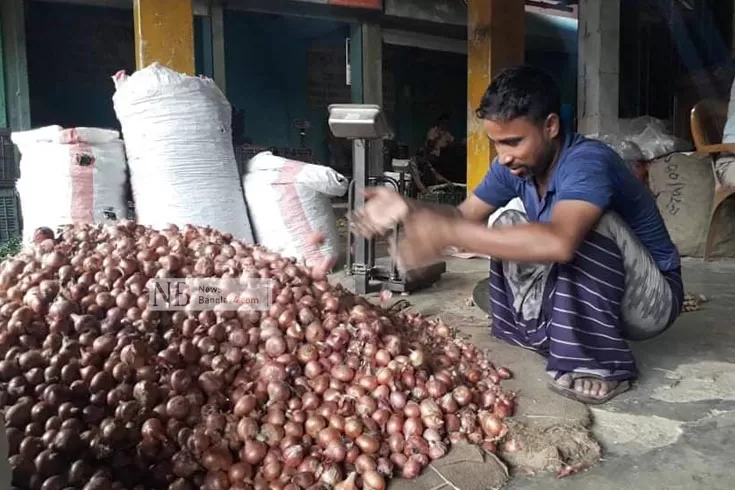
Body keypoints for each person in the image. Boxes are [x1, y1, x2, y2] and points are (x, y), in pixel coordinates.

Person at [349, 66, 684, 405]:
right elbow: (463, 216)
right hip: (599, 295)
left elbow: (560, 242)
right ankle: (532, 331)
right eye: (495, 143)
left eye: (513, 142)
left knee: (583, 229)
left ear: (550, 126)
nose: (503, 156)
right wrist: (407, 207)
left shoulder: (587, 162)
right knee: (508, 220)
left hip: (648, 301)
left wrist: (447, 233)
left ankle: (597, 366)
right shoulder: (517, 167)